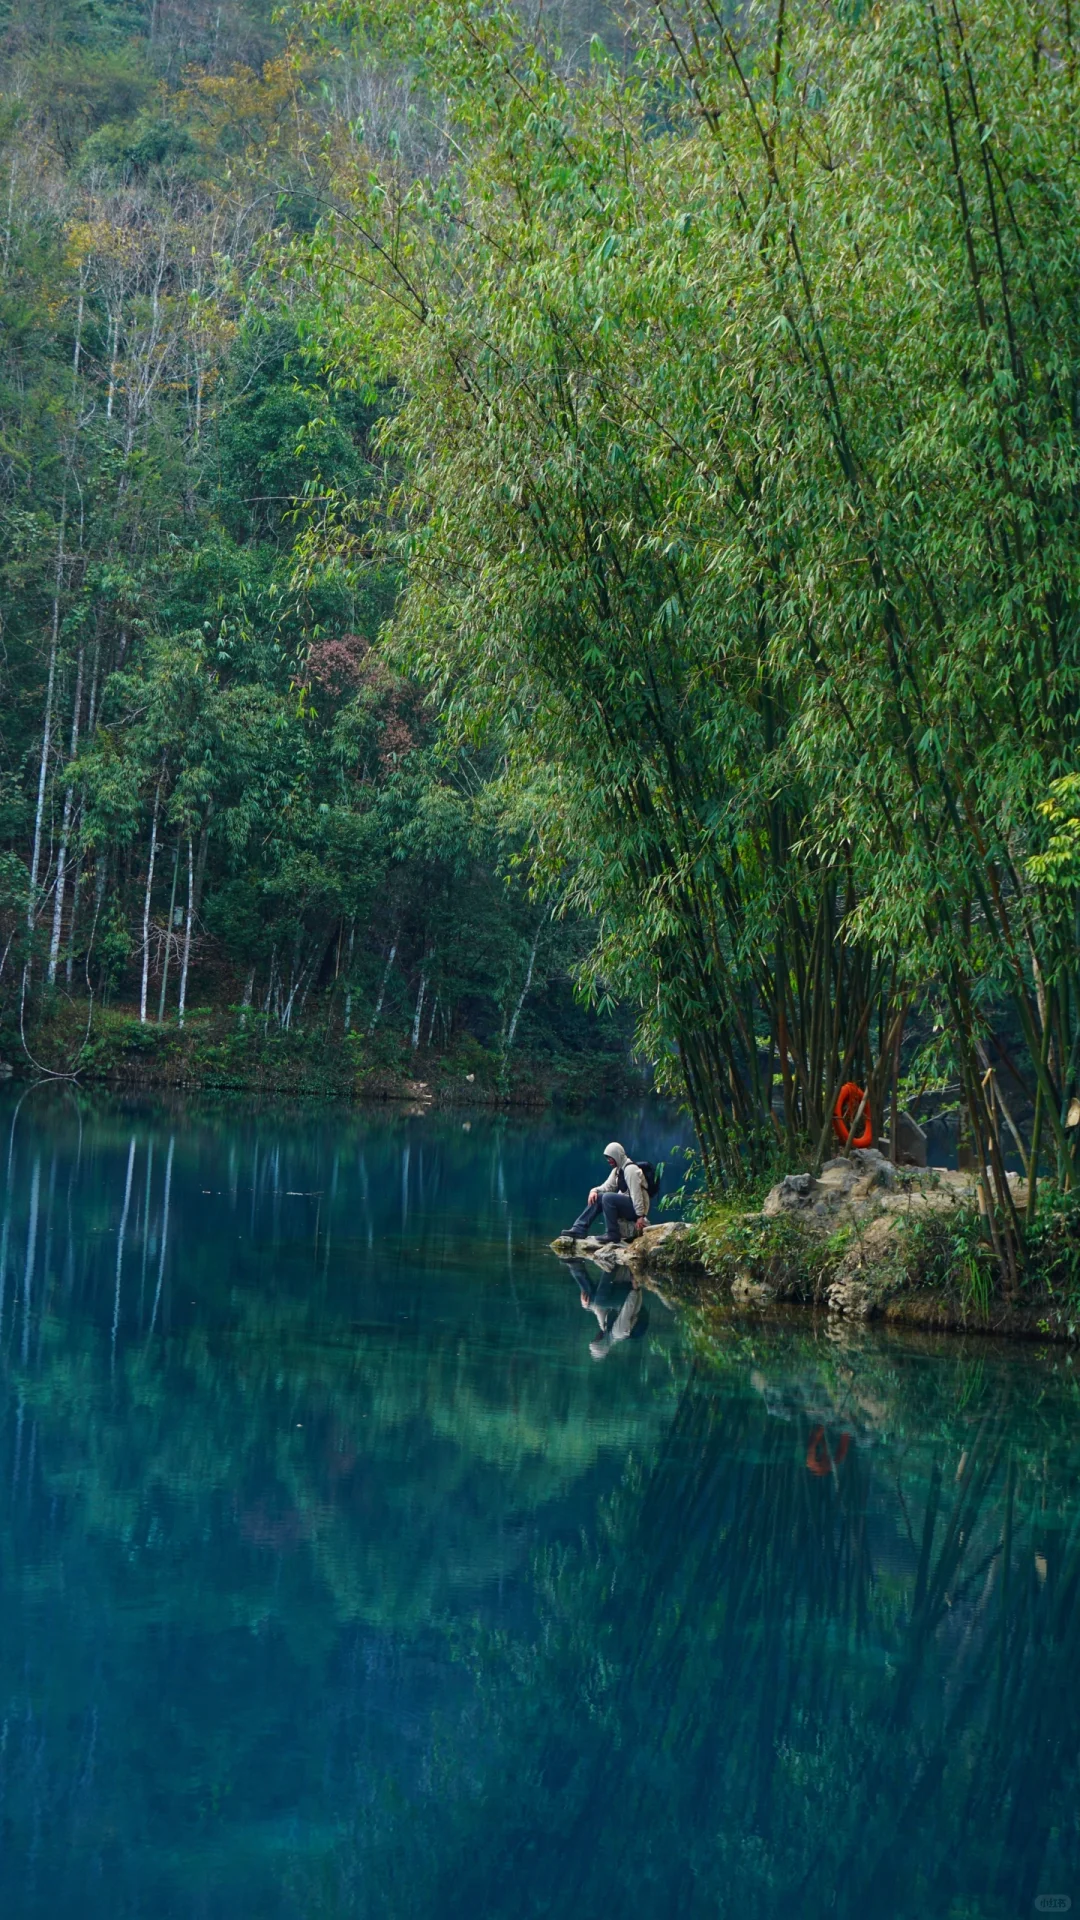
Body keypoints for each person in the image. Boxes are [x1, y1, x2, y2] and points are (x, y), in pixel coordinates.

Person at [562, 1142, 650, 1244]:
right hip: (629, 1206)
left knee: (608, 1198)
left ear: (617, 1155)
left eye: (610, 1157)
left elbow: (637, 1194)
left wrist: (640, 1216)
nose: (608, 1161)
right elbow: (607, 1187)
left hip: (636, 1210)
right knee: (598, 1197)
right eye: (607, 1158)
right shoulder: (617, 1170)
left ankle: (613, 1234)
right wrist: (594, 1190)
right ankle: (579, 1229)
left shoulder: (630, 1170)